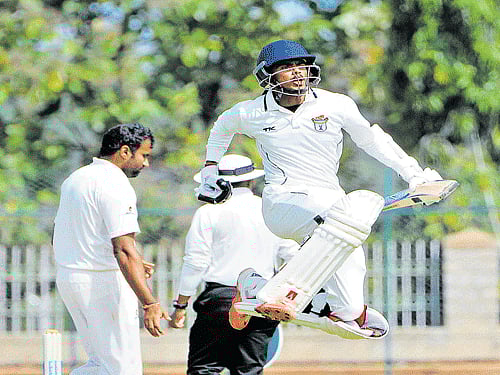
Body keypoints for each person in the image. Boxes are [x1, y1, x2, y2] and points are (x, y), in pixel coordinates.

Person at [195, 40, 442, 339]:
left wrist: (414, 174)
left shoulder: (335, 104)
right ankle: (286, 288)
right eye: (286, 67)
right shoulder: (251, 112)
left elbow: (372, 140)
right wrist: (210, 168)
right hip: (282, 202)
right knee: (343, 217)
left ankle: (263, 288)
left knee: (349, 305)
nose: (297, 72)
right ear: (268, 76)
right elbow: (221, 128)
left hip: (333, 207)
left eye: (301, 65)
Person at [53, 123, 169, 375]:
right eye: (144, 155)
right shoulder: (115, 183)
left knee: (100, 364)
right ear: (125, 151)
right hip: (101, 282)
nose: (146, 163)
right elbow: (124, 250)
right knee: (124, 370)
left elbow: (77, 235)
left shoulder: (76, 178)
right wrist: (149, 303)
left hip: (72, 278)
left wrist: (135, 262)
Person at [170, 154, 298, 375]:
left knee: (204, 369)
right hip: (261, 299)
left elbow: (195, 262)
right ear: (251, 181)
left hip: (220, 301)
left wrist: (181, 306)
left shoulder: (208, 213)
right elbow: (293, 255)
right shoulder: (272, 211)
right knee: (249, 371)